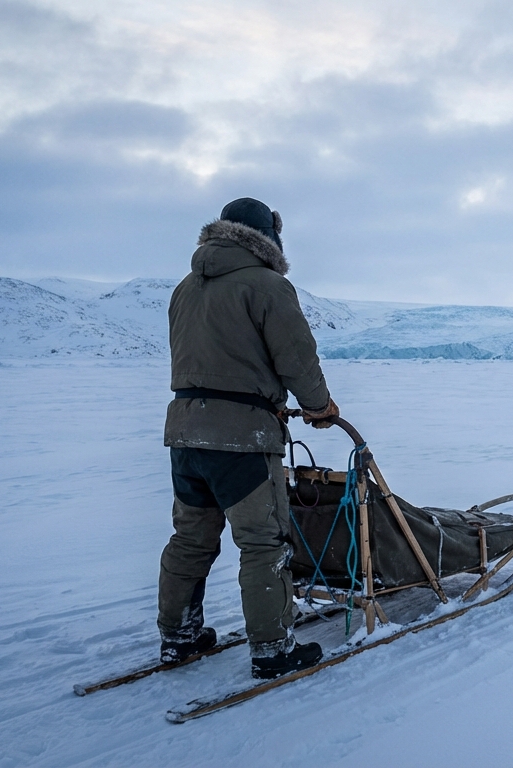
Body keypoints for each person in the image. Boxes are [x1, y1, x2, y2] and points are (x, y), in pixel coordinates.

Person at [158, 197, 339, 679]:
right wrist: (319, 407)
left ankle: (179, 637)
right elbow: (296, 356)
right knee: (264, 542)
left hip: (185, 433)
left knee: (190, 539)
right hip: (242, 436)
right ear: (268, 237)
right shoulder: (267, 286)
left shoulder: (185, 288)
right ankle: (272, 649)